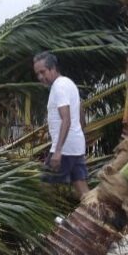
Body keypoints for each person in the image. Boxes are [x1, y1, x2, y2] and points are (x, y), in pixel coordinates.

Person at [32, 51, 88, 198]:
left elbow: (66, 119)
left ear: (53, 68)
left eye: (42, 72)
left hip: (64, 149)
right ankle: (97, 217)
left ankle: (50, 219)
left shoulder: (59, 87)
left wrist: (58, 151)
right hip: (75, 147)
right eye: (37, 74)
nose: (40, 77)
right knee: (83, 190)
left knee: (44, 188)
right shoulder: (69, 83)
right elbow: (80, 112)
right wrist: (79, 135)